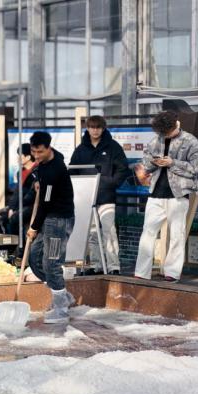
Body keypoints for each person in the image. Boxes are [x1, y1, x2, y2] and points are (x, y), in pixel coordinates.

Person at [135, 111, 198, 283]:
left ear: (175, 125)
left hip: (178, 195)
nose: (164, 135)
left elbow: (196, 169)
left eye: (167, 132)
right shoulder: (155, 140)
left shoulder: (191, 141)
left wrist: (172, 163)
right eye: (161, 133)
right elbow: (146, 162)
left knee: (177, 234)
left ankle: (172, 273)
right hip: (155, 193)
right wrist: (151, 164)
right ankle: (141, 272)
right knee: (148, 232)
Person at [70, 116, 130, 275]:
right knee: (92, 233)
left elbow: (123, 169)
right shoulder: (81, 149)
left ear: (103, 129)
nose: (95, 130)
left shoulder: (113, 147)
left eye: (98, 127)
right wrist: (78, 190)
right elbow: (73, 170)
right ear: (88, 128)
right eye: (92, 127)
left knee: (109, 231)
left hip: (106, 197)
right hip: (86, 198)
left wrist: (111, 183)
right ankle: (97, 265)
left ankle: (114, 266)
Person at [27, 131, 75, 324]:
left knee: (51, 263)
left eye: (40, 152)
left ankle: (61, 309)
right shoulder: (49, 160)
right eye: (33, 151)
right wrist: (37, 180)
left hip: (58, 221)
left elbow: (45, 204)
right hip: (49, 218)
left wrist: (33, 227)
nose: (36, 156)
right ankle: (63, 295)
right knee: (34, 257)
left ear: (49, 148)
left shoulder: (54, 170)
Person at [4, 143, 38, 235]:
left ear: (28, 157)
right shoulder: (20, 172)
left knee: (14, 218)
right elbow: (17, 192)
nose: (17, 158)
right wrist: (11, 208)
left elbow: (32, 194)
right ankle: (14, 242)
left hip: (32, 205)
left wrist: (17, 209)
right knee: (2, 217)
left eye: (20, 155)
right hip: (22, 205)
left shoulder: (37, 170)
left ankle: (19, 243)